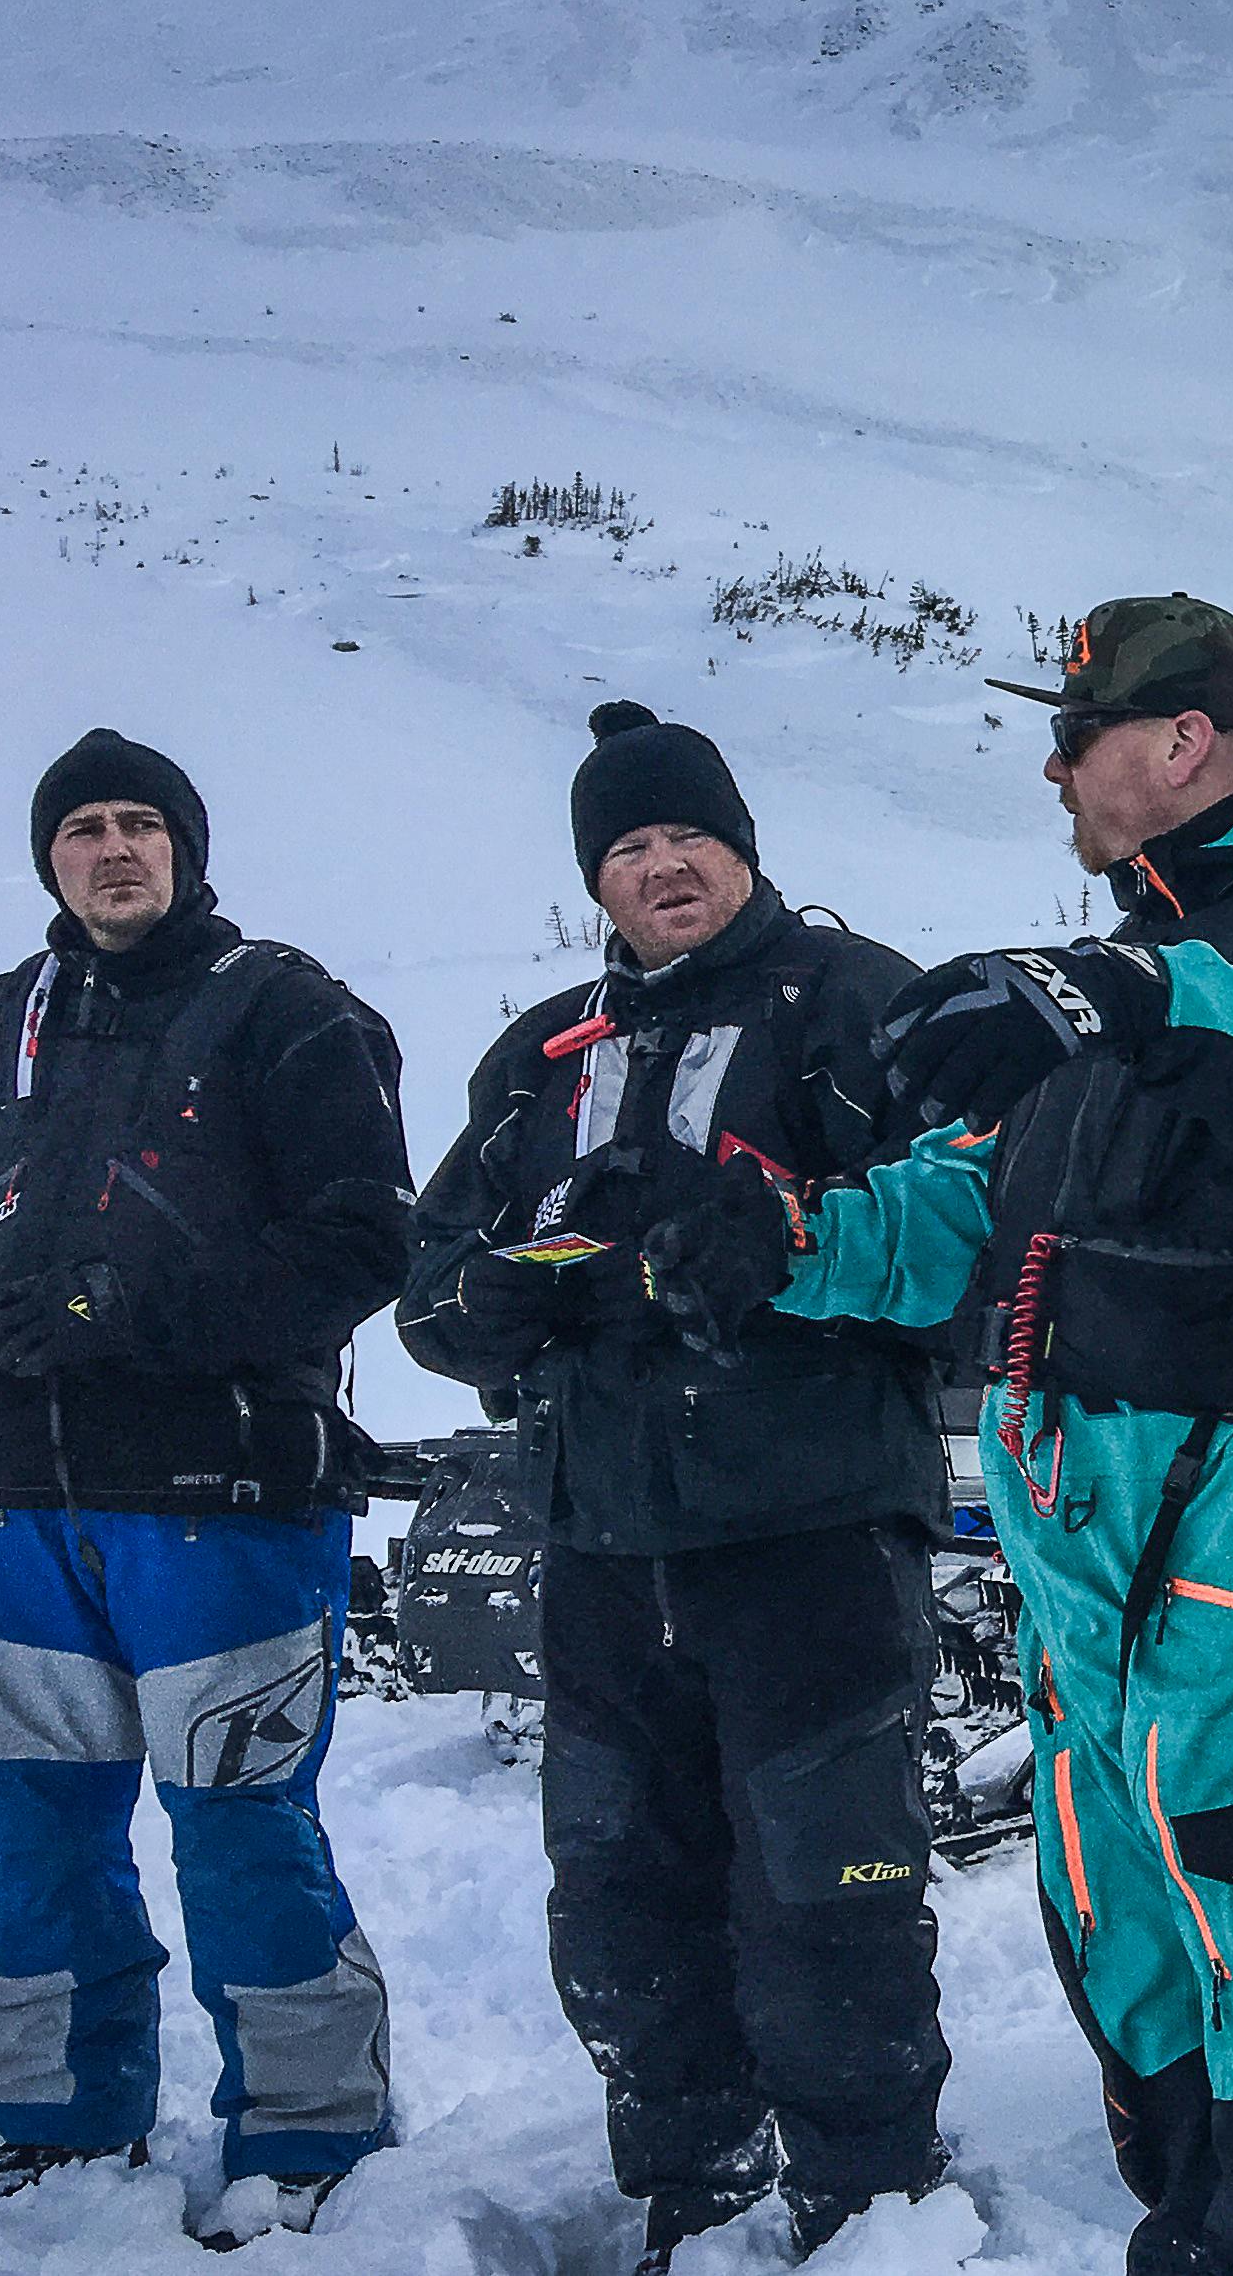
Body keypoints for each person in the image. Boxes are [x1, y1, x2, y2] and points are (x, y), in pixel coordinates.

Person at [655, 594, 1233, 2276]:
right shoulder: (1136, 965)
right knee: (1128, 1943)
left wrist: (1117, 998)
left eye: (1075, 740)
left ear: (1183, 742)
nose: (1055, 774)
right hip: (1092, 1553)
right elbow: (979, 1204)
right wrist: (785, 1243)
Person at [395, 703, 942, 2272]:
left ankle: (870, 2196)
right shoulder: (543, 1051)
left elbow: (967, 1237)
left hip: (808, 1528)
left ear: (741, 844)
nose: (660, 865)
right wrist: (477, 1306)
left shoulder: (851, 999)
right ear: (597, 883)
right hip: (600, 1538)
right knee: (621, 1894)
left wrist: (783, 1242)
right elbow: (428, 1274)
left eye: (684, 834)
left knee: (823, 1887)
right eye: (626, 847)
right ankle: (692, 2177)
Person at [0, 730, 409, 2247]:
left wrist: (130, 1316)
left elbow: (366, 1240)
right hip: (15, 1503)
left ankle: (311, 2129)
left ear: (187, 847)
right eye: (85, 827)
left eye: (142, 824)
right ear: (48, 857)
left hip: (222, 1500)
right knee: (24, 1835)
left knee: (239, 1826)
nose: (114, 848)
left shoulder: (292, 1016)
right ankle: (60, 2125)